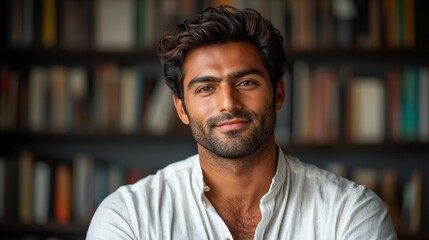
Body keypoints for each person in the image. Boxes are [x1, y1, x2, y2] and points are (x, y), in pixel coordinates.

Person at [87, 5, 397, 240]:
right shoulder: (129, 217)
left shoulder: (350, 212)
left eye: (246, 83)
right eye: (206, 88)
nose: (228, 103)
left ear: (278, 94)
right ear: (181, 108)